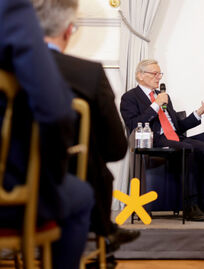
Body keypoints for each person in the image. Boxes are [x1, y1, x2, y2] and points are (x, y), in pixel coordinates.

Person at [32, 0, 141, 261]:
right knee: (86, 179)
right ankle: (101, 234)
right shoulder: (87, 74)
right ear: (69, 30)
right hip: (56, 191)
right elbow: (116, 148)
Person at [0, 0, 94, 268]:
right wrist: (51, 174)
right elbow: (56, 111)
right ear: (68, 29)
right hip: (9, 193)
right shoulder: (12, 9)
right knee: (82, 194)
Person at [120, 59, 204, 222]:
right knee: (185, 148)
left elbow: (178, 126)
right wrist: (155, 105)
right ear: (140, 75)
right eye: (154, 74)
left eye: (159, 73)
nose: (158, 77)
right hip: (154, 139)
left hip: (175, 138)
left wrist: (198, 113)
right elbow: (134, 125)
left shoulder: (163, 97)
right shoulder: (130, 98)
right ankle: (189, 206)